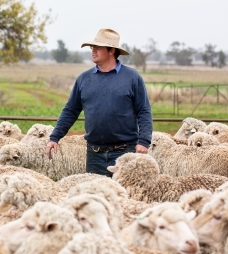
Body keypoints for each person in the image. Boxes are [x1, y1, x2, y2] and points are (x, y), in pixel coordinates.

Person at [46, 28, 152, 177]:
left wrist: (144, 141)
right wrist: (54, 137)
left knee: (125, 198)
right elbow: (71, 110)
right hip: (94, 154)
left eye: (98, 47)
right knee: (95, 197)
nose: (93, 51)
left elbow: (144, 110)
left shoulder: (132, 78)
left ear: (111, 51)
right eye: (92, 47)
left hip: (125, 152)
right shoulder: (84, 79)